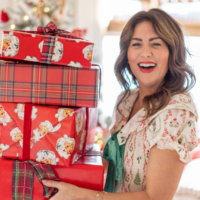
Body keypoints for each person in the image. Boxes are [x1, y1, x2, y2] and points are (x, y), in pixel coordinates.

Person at [42, 8, 198, 200]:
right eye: (136, 44)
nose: (145, 52)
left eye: (156, 44)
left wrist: (81, 195)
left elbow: (155, 197)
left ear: (172, 53)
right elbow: (113, 164)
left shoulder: (176, 111)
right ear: (127, 54)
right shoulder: (125, 101)